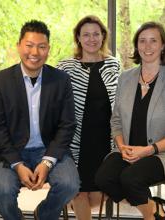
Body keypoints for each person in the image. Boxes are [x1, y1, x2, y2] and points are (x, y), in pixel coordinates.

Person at [0, 20, 80, 220]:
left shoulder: (61, 80)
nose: (34, 52)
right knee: (0, 191)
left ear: (48, 50)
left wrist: (47, 162)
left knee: (69, 185)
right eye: (29, 45)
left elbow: (67, 125)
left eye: (41, 46)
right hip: (10, 152)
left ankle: (44, 215)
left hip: (49, 150)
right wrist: (18, 165)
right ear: (19, 46)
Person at [95, 21, 165, 220]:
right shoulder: (125, 78)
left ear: (163, 45)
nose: (147, 46)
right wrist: (122, 146)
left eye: (153, 41)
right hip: (127, 150)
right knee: (104, 178)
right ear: (136, 46)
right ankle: (153, 208)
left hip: (160, 153)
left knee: (130, 178)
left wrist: (147, 150)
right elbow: (115, 120)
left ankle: (151, 216)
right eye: (142, 41)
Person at [56, 15, 120, 220]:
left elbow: (122, 104)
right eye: (86, 34)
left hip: (106, 139)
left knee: (103, 190)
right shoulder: (65, 67)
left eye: (96, 34)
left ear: (103, 37)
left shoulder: (114, 65)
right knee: (78, 190)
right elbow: (54, 105)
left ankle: (52, 206)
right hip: (76, 140)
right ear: (78, 38)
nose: (91, 39)